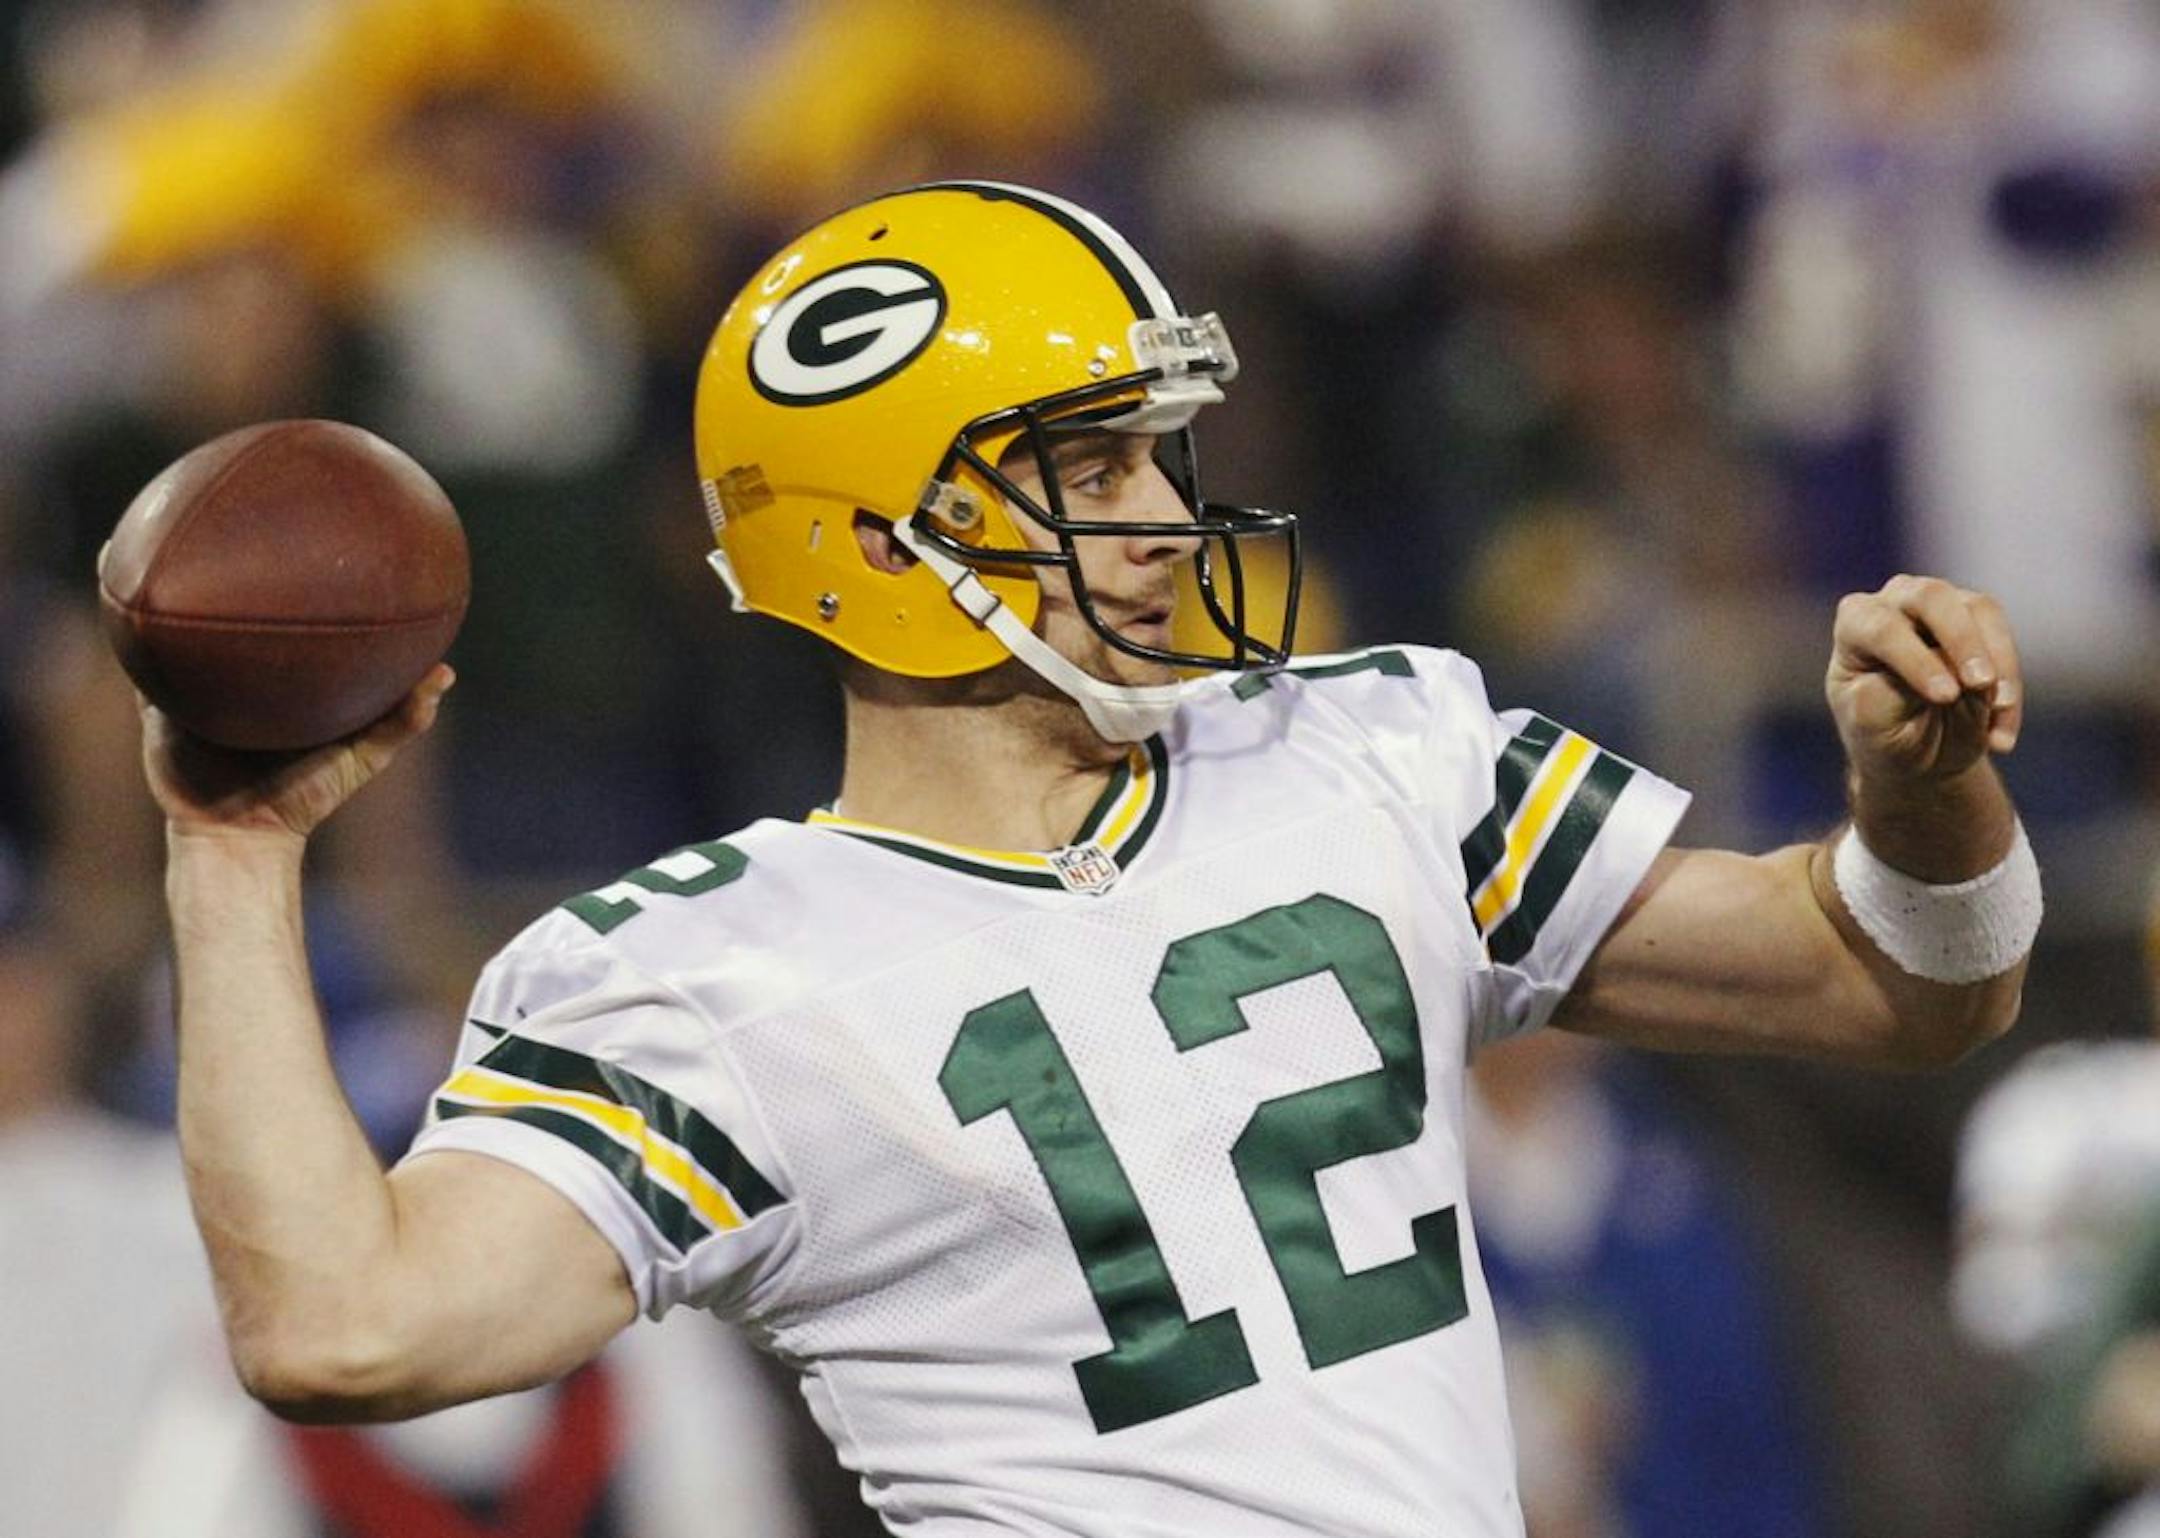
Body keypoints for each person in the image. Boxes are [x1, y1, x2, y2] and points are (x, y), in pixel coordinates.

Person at [140, 182, 2040, 1538]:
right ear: (880, 547)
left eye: (1158, 454)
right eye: (1095, 467)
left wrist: (1920, 789)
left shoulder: (1358, 749)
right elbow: (346, 1325)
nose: (1163, 518)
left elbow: (1891, 983)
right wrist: (230, 854)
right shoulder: (708, 975)